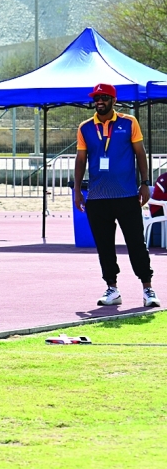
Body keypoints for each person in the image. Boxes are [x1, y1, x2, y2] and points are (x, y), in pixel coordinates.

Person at [73, 83, 159, 308]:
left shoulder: (129, 122)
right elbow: (81, 160)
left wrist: (145, 184)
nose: (99, 101)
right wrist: (77, 192)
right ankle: (112, 288)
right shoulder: (85, 128)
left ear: (113, 100)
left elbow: (140, 154)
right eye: (96, 98)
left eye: (103, 97)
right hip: (98, 197)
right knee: (104, 246)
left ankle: (147, 288)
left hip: (126, 195)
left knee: (136, 243)